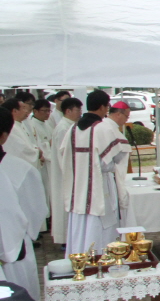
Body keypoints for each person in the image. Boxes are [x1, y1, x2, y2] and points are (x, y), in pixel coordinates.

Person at [58, 90, 131, 257]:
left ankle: (78, 259)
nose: (107, 110)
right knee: (99, 227)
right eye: (107, 107)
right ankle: (100, 259)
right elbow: (119, 154)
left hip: (77, 188)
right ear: (102, 107)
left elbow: (64, 154)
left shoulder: (73, 128)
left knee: (80, 227)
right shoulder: (102, 128)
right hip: (100, 186)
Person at [0, 108, 47, 300]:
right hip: (13, 251)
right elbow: (35, 211)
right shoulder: (21, 170)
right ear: (5, 135)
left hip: (12, 250)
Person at [49, 97, 81, 248]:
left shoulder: (71, 126)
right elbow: (64, 154)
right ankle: (66, 240)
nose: (80, 113)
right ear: (68, 111)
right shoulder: (63, 128)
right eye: (78, 110)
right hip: (65, 174)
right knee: (65, 206)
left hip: (68, 173)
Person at [25, 98, 53, 208]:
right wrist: (48, 144)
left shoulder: (47, 125)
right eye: (44, 111)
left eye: (48, 111)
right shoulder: (32, 124)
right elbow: (36, 144)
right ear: (35, 111)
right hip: (42, 163)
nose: (47, 114)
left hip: (50, 163)